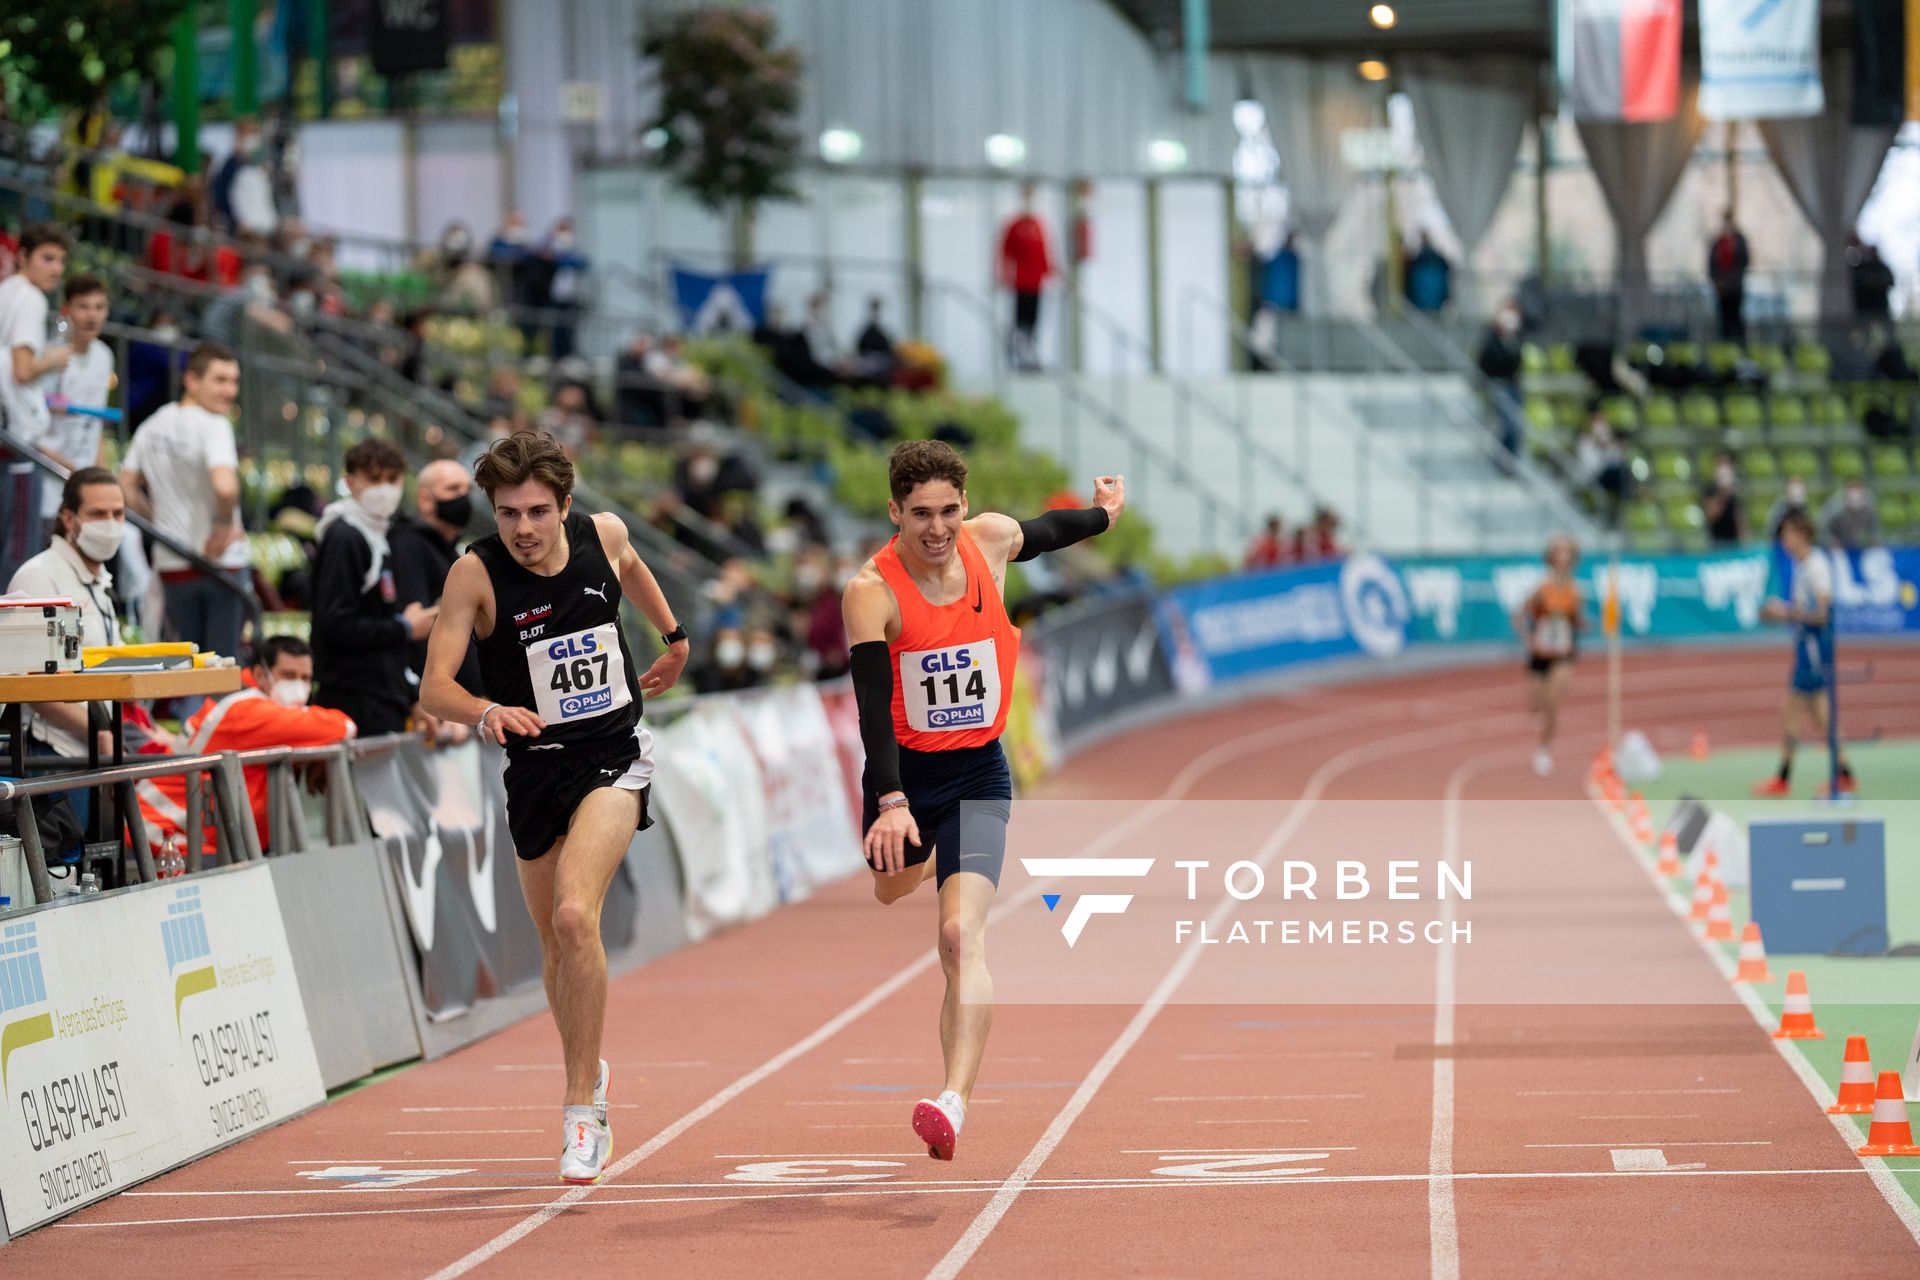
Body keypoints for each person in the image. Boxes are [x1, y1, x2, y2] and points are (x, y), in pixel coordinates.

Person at [418, 430, 690, 1185]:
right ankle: (590, 1067)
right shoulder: (474, 574)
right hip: (532, 768)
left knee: (577, 916)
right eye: (508, 514)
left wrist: (673, 638)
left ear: (566, 506)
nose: (524, 529)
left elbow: (632, 569)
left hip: (611, 756)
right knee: (553, 946)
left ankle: (580, 1112)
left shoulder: (603, 534)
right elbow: (433, 688)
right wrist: (484, 711)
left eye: (538, 511)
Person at [843, 439, 1123, 1161]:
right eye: (920, 515)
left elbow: (1049, 532)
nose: (936, 529)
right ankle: (902, 845)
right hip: (904, 781)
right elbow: (873, 707)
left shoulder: (987, 542)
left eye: (948, 512)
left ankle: (953, 1101)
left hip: (976, 775)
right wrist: (891, 800)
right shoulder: (870, 591)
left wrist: (1102, 514)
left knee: (959, 937)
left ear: (964, 508)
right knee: (889, 891)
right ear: (894, 513)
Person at [135, 636, 357, 849]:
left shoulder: (250, 701)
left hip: (187, 834)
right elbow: (343, 726)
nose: (299, 686)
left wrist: (316, 749)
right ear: (261, 675)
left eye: (305, 678)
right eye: (288, 675)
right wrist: (319, 743)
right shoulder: (248, 709)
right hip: (165, 833)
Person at [119, 342, 253, 660]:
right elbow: (225, 487)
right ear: (191, 380)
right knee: (220, 669)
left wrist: (158, 521)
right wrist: (222, 523)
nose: (230, 390)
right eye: (220, 380)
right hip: (222, 563)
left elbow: (124, 486)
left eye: (234, 381)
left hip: (172, 563)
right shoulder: (215, 424)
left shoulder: (152, 425)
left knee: (189, 668)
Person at [309, 438, 436, 737]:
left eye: (392, 480)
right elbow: (336, 624)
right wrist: (404, 627)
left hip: (381, 695)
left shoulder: (378, 533)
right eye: (374, 479)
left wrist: (411, 693)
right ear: (351, 482)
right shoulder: (345, 537)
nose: (385, 489)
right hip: (353, 697)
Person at [6, 468, 126, 760]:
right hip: (50, 753)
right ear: (69, 519)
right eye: (98, 514)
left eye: (118, 514)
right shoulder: (38, 577)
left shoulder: (99, 583)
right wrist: (98, 732)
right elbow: (31, 684)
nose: (110, 524)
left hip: (97, 747)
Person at [1754, 511, 1853, 797]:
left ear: (1801, 535)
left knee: (1791, 709)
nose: (1784, 540)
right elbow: (1802, 612)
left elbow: (1822, 614)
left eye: (1787, 534)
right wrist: (1778, 613)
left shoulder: (1816, 566)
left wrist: (1784, 611)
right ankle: (1843, 773)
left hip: (1814, 649)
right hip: (1806, 648)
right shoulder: (1802, 566)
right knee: (1821, 715)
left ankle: (1784, 778)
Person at [390, 458, 484, 721]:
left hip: (465, 707)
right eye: (453, 490)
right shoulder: (409, 544)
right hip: (436, 714)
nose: (463, 498)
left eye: (467, 490)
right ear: (426, 499)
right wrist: (421, 698)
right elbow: (418, 626)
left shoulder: (449, 549)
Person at [1, 223, 71, 573]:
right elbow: (23, 370)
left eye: (61, 261)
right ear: (24, 256)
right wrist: (54, 360)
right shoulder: (30, 298)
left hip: (7, 441)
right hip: (17, 450)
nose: (56, 269)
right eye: (47, 258)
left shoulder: (6, 291)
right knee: (17, 560)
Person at [39, 274, 114, 520]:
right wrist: (74, 470)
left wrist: (99, 473)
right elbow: (32, 431)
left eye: (99, 307)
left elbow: (96, 425)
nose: (92, 316)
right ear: (67, 309)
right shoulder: (51, 356)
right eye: (83, 307)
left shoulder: (104, 356)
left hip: (85, 486)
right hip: (48, 485)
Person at [1512, 535, 1585, 777]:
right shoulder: (1541, 590)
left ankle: (1544, 749)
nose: (1563, 557)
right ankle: (1537, 713)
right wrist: (1529, 640)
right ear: (1551, 558)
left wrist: (1583, 624)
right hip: (1541, 653)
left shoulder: (1576, 592)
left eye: (1567, 552)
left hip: (1564, 653)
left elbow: (1576, 621)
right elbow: (1518, 616)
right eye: (1559, 552)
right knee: (1538, 704)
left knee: (1554, 703)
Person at [997, 184, 1053, 372]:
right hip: (1020, 283)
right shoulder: (1014, 226)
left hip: (1036, 283)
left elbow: (1045, 253)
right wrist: (1003, 275)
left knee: (1034, 320)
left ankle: (1030, 356)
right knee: (1020, 320)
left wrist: (1052, 274)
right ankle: (1016, 355)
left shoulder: (1038, 225)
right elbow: (1004, 252)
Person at [1476, 303, 1524, 459]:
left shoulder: (1515, 340)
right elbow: (1485, 363)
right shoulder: (1492, 341)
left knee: (1515, 426)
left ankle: (1511, 458)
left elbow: (1517, 364)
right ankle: (1503, 459)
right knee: (1506, 425)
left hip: (1512, 386)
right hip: (1498, 386)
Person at [1575, 410, 1630, 525]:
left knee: (1622, 471)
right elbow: (1590, 465)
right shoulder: (1585, 442)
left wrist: (1614, 448)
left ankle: (1623, 505)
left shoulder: (1609, 444)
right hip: (1591, 476)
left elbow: (1617, 460)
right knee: (1618, 472)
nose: (1601, 428)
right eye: (1597, 422)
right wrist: (1599, 446)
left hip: (1608, 476)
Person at [1707, 210, 1749, 343]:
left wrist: (1731, 280)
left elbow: (1744, 262)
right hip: (1721, 288)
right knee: (1724, 320)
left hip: (1735, 287)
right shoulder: (1718, 242)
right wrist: (1717, 281)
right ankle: (1725, 347)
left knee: (1736, 318)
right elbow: (1711, 264)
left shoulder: (1739, 241)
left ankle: (1739, 347)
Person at [1821, 477, 1880, 551]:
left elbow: (1874, 528)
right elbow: (1823, 528)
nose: (1855, 499)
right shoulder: (1835, 507)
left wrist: (1874, 542)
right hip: (1834, 543)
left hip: (1852, 541)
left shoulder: (1870, 506)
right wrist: (1831, 541)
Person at [1699, 451, 1745, 546]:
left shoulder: (1734, 492)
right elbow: (1711, 515)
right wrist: (1722, 495)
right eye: (1721, 464)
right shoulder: (1710, 490)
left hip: (1734, 543)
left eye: (1727, 464)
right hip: (1717, 543)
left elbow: (1739, 519)